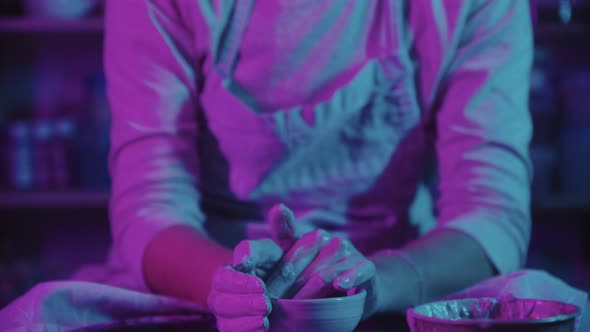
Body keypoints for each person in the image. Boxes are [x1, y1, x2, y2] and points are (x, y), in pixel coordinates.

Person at [104, 0, 533, 331]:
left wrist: (380, 282)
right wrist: (228, 286)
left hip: (403, 281)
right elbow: (150, 200)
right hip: (199, 282)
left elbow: (491, 210)